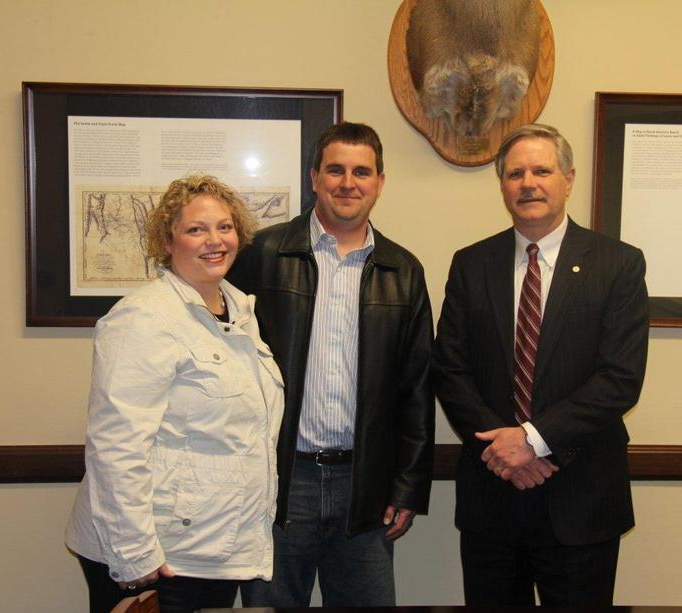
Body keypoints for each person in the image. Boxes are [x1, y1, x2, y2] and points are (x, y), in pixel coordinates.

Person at [433, 124, 650, 607]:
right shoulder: (471, 264)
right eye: (515, 173)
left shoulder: (618, 265)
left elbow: (619, 378)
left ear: (568, 179)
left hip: (581, 498)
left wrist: (532, 441)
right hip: (493, 499)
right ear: (503, 185)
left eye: (541, 170)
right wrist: (503, 451)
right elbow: (450, 368)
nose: (528, 182)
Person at [229, 122, 434, 607]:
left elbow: (417, 389)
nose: (348, 182)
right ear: (314, 177)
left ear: (380, 182)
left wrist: (406, 488)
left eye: (362, 171)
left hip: (364, 487)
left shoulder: (403, 271)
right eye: (336, 170)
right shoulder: (263, 254)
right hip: (281, 483)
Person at [65, 175, 284, 613]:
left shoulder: (240, 312)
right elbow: (116, 446)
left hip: (216, 548)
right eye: (196, 229)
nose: (215, 240)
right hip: (160, 554)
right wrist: (135, 551)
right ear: (167, 241)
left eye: (225, 227)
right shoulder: (143, 318)